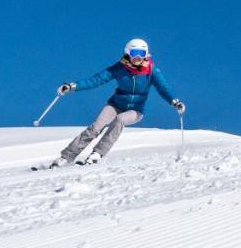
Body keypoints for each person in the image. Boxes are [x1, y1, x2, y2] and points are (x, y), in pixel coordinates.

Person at [38, 38, 185, 168]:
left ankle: (97, 153)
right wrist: (72, 86)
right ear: (128, 53)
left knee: (120, 120)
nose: (138, 57)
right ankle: (66, 157)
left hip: (135, 111)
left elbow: (163, 88)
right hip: (115, 104)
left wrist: (174, 102)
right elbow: (96, 80)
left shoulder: (151, 71)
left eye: (142, 53)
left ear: (146, 54)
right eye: (134, 53)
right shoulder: (119, 68)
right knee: (96, 127)